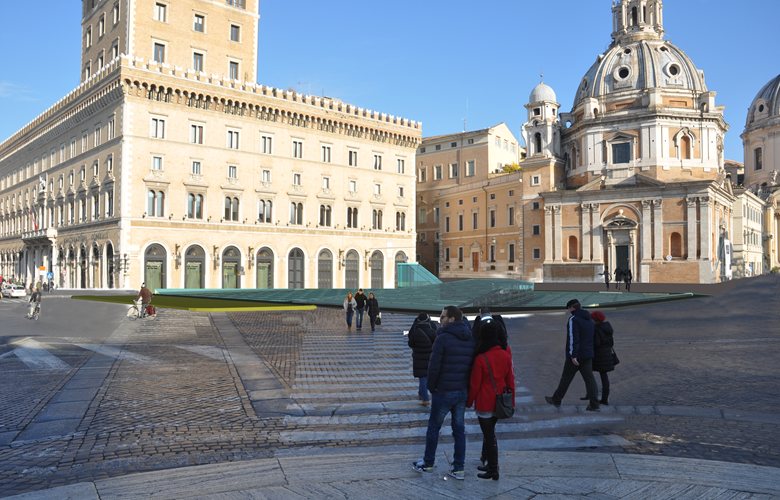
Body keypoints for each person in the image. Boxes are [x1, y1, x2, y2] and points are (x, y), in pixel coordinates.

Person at [412, 306, 475, 480]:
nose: (440, 320)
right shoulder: (470, 337)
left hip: (444, 391)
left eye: (443, 317)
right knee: (459, 430)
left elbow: (433, 367)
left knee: (433, 428)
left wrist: (432, 388)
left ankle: (428, 463)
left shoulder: (443, 338)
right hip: (461, 391)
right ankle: (459, 468)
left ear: (452, 319)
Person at [467, 320, 514, 481]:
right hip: (500, 401)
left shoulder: (481, 358)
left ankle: (493, 469)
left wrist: (469, 402)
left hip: (485, 402)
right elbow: (511, 381)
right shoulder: (505, 354)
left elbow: (474, 385)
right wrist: (511, 402)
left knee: (489, 436)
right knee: (490, 433)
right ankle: (489, 464)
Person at [545, 298, 600, 411]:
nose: (568, 311)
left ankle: (556, 399)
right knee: (590, 379)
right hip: (587, 355)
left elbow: (573, 338)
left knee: (566, 378)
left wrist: (573, 355)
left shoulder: (573, 319)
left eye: (569, 308)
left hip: (576, 356)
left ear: (573, 308)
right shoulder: (590, 320)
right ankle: (594, 404)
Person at [581, 311, 616, 405]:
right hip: (607, 355)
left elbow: (596, 343)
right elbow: (611, 343)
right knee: (604, 377)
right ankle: (604, 398)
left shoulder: (597, 329)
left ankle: (591, 394)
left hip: (598, 356)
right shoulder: (607, 327)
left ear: (596, 320)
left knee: (587, 374)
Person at [407, 313, 437, 406]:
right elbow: (436, 342)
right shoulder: (432, 329)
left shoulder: (415, 329)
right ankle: (422, 394)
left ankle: (425, 398)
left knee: (422, 377)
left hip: (418, 357)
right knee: (427, 377)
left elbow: (410, 343)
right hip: (430, 356)